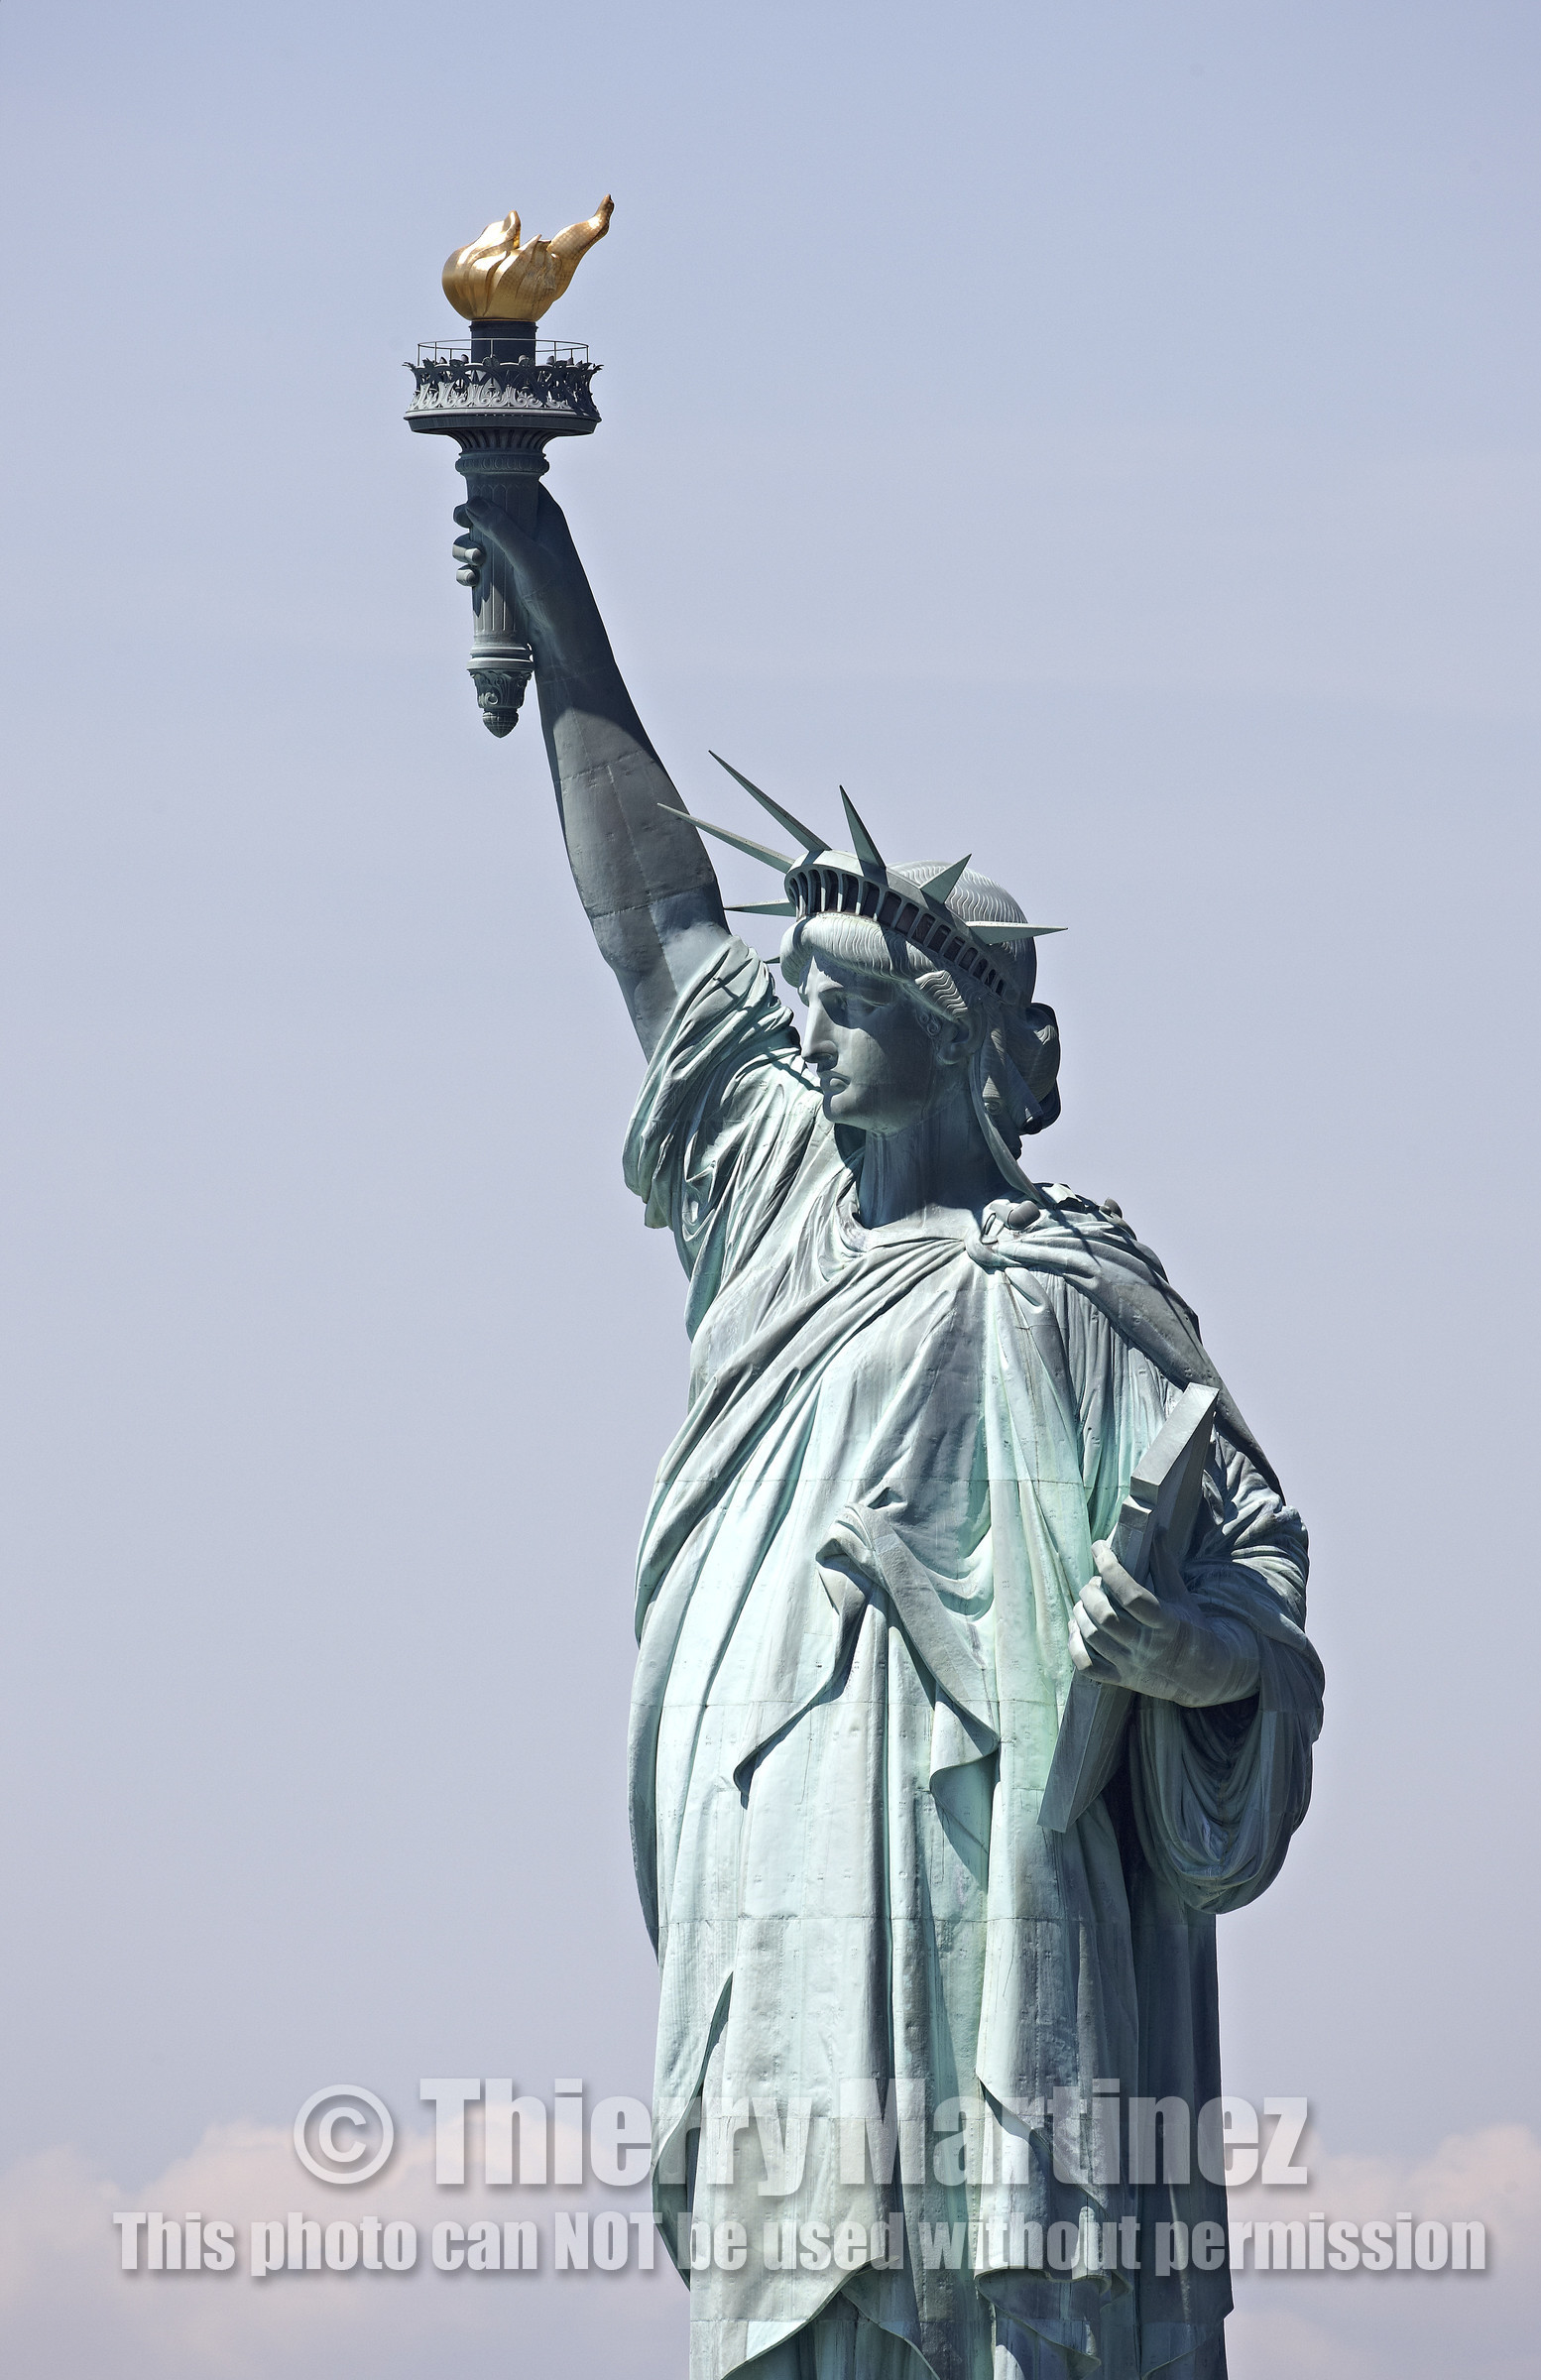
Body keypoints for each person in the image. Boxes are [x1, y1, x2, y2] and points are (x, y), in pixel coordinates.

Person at [452, 489, 1324, 2380]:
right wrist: (545, 565)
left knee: (1009, 2296)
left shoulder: (1086, 1296)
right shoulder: (778, 1204)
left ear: (950, 1036)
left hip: (1011, 1864)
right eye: (809, 1007)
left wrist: (1207, 1657)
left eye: (847, 1007)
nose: (808, 1036)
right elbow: (658, 926)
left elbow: (1261, 1565)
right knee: (805, 2276)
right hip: (782, 1825)